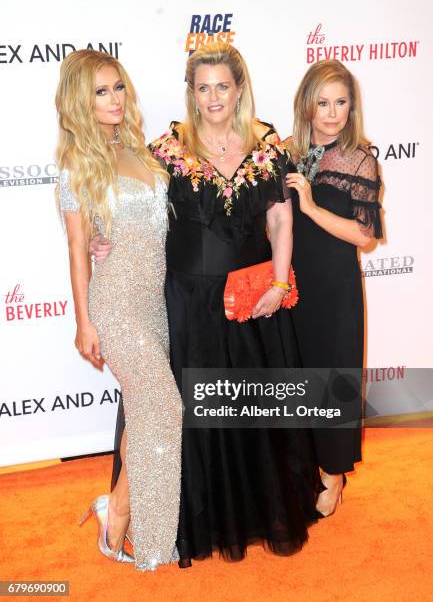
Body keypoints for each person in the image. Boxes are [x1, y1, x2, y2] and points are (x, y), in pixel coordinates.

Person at [92, 42, 320, 566]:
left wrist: (280, 284)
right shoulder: (166, 149)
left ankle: (250, 515)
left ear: (238, 88)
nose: (213, 96)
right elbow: (128, 207)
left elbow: (281, 220)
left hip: (252, 302)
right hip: (189, 304)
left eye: (223, 85)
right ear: (190, 94)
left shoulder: (267, 146)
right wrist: (95, 239)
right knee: (191, 415)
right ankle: (180, 520)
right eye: (203, 87)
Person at [55, 49, 182, 570]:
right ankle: (137, 528)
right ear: (81, 103)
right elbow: (76, 248)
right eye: (100, 92)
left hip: (156, 302)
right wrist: (84, 320)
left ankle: (116, 510)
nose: (113, 99)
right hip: (115, 303)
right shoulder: (76, 166)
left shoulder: (142, 153)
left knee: (145, 413)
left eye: (118, 88)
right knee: (166, 408)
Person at [284, 59, 382, 517]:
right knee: (298, 377)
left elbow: (365, 236)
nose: (332, 112)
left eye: (341, 102)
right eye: (322, 102)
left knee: (332, 378)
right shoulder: (286, 153)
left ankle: (334, 474)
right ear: (307, 106)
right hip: (293, 285)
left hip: (335, 287)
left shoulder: (360, 158)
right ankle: (305, 467)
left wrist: (310, 206)